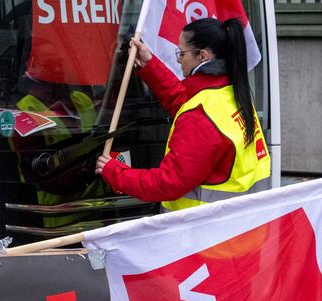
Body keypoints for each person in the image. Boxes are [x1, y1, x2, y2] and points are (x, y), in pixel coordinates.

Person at [95, 18, 271, 212]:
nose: (179, 60)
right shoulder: (232, 92)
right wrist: (150, 65)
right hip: (240, 227)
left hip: (201, 234)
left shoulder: (200, 116)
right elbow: (184, 100)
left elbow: (167, 183)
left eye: (181, 53)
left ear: (202, 55)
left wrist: (116, 173)